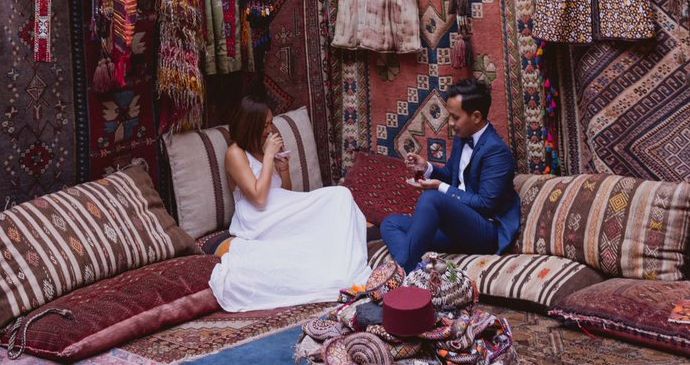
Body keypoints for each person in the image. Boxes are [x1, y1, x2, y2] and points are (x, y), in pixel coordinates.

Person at [209, 96, 371, 311]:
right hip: (257, 218)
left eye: (270, 123)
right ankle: (343, 271)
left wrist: (283, 169)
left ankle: (345, 268)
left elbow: (284, 193)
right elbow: (258, 198)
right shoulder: (236, 153)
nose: (269, 129)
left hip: (278, 211)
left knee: (341, 197)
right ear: (251, 124)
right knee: (339, 196)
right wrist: (268, 157)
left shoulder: (261, 148)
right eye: (265, 124)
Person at [380, 78, 521, 273]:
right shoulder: (462, 139)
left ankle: (395, 277)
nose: (451, 123)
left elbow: (485, 205)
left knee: (432, 198)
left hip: (486, 232)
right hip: (457, 228)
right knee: (391, 223)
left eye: (455, 117)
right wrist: (427, 167)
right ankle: (415, 273)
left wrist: (438, 187)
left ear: (476, 116)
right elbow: (451, 176)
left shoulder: (496, 151)